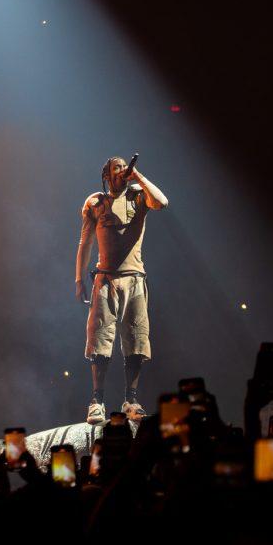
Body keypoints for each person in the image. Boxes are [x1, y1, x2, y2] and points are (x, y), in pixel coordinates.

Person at [75, 156, 169, 424]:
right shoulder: (96, 202)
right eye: (116, 168)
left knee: (137, 339)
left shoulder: (138, 197)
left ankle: (131, 398)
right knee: (99, 340)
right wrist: (79, 280)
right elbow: (85, 242)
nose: (121, 171)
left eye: (124, 167)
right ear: (106, 174)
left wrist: (137, 175)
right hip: (105, 280)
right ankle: (97, 400)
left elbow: (162, 202)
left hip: (134, 279)